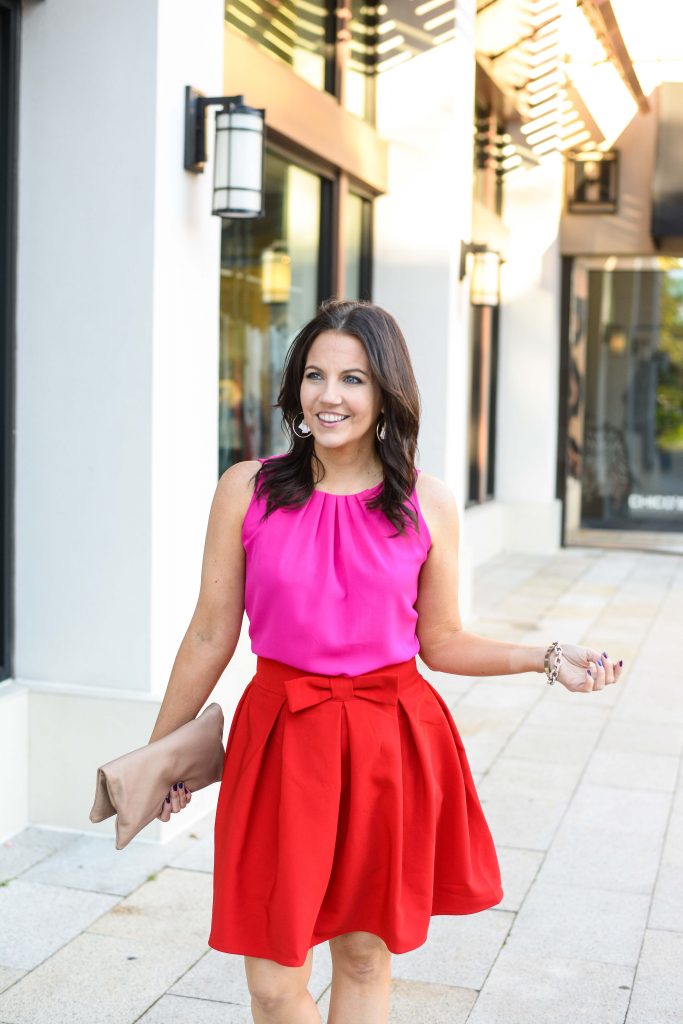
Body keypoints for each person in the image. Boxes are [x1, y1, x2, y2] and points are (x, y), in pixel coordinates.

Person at [147, 299, 624, 1024]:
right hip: (280, 739)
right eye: (314, 375)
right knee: (274, 983)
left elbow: (441, 641)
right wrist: (161, 754)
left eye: (353, 379)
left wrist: (544, 656)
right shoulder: (245, 489)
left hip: (387, 743)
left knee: (365, 959)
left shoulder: (426, 502)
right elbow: (210, 636)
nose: (329, 396)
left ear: (385, 393)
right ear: (295, 388)